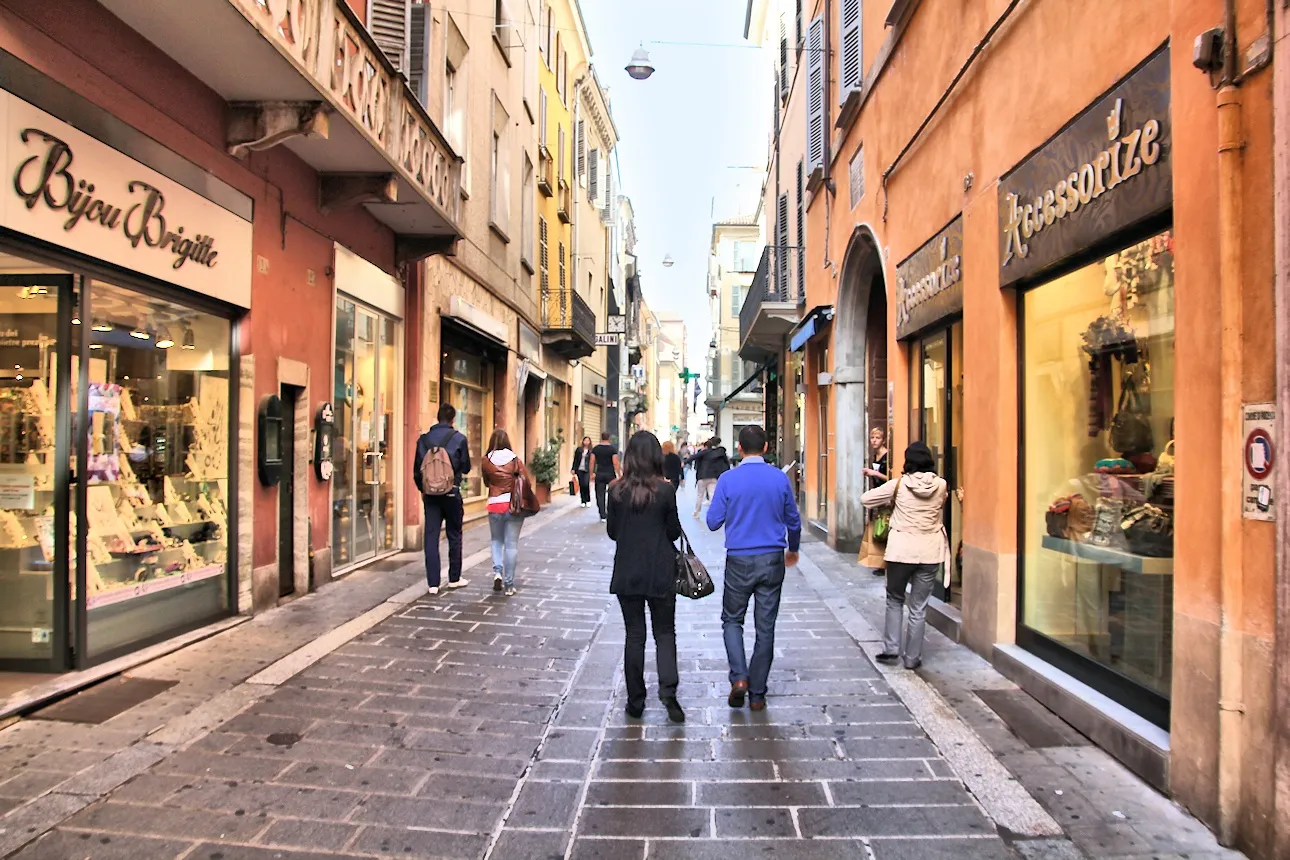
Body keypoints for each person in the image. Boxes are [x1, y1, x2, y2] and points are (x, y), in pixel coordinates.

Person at [706, 425, 801, 712]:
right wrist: (793, 548)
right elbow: (793, 520)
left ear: (739, 448)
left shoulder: (728, 479)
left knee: (732, 620)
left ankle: (739, 678)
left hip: (739, 559)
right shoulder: (779, 478)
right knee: (766, 626)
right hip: (772, 558)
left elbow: (712, 522)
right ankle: (757, 694)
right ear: (766, 446)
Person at [607, 431, 685, 723]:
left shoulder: (615, 490)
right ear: (656, 457)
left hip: (627, 571)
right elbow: (673, 532)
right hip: (660, 570)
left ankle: (635, 701)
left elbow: (613, 532)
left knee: (634, 636)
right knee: (665, 633)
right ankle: (668, 693)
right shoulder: (665, 491)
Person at [861, 441, 949, 670]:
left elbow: (866, 499)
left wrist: (892, 500)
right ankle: (912, 658)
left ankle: (891, 650)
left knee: (895, 599)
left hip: (901, 550)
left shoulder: (898, 485)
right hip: (930, 551)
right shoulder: (941, 485)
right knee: (919, 606)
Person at [413, 403, 472, 595]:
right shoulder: (459, 439)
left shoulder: (423, 440)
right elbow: (466, 467)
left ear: (437, 418)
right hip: (452, 493)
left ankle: (433, 583)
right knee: (454, 534)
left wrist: (424, 489)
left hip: (430, 495)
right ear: (453, 419)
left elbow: (416, 471)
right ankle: (454, 578)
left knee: (431, 537)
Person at [481, 429, 530, 596]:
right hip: (513, 505)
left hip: (494, 504)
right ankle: (509, 585)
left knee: (496, 540)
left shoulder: (486, 460)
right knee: (511, 545)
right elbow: (526, 481)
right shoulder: (515, 460)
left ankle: (497, 573)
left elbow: (487, 482)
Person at [861, 426, 891, 576]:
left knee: (884, 529)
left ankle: (885, 564)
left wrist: (874, 473)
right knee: (879, 529)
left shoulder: (887, 456)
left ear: (883, 440)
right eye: (872, 437)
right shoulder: (875, 456)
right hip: (878, 497)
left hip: (886, 498)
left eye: (877, 438)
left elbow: (889, 478)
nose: (874, 440)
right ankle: (880, 562)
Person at [692, 436, 731, 517]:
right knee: (712, 495)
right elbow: (726, 463)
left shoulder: (704, 452)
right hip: (713, 476)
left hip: (702, 476)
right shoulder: (720, 452)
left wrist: (684, 462)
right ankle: (715, 512)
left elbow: (694, 457)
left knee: (700, 495)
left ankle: (697, 512)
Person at [591, 432, 621, 521]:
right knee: (612, 493)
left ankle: (602, 515)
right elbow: (615, 462)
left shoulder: (596, 449)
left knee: (600, 494)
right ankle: (611, 512)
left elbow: (592, 461)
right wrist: (619, 474)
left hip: (599, 473)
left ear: (601, 438)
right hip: (610, 474)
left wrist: (591, 473)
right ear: (609, 438)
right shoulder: (612, 449)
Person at [571, 436, 594, 508]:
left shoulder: (591, 451)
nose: (586, 442)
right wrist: (573, 468)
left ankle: (588, 500)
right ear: (583, 441)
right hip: (580, 469)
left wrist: (593, 471)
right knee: (581, 485)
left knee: (586, 484)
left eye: (588, 441)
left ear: (590, 442)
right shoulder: (579, 450)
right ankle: (583, 501)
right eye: (585, 440)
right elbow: (575, 460)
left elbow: (594, 462)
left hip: (587, 470)